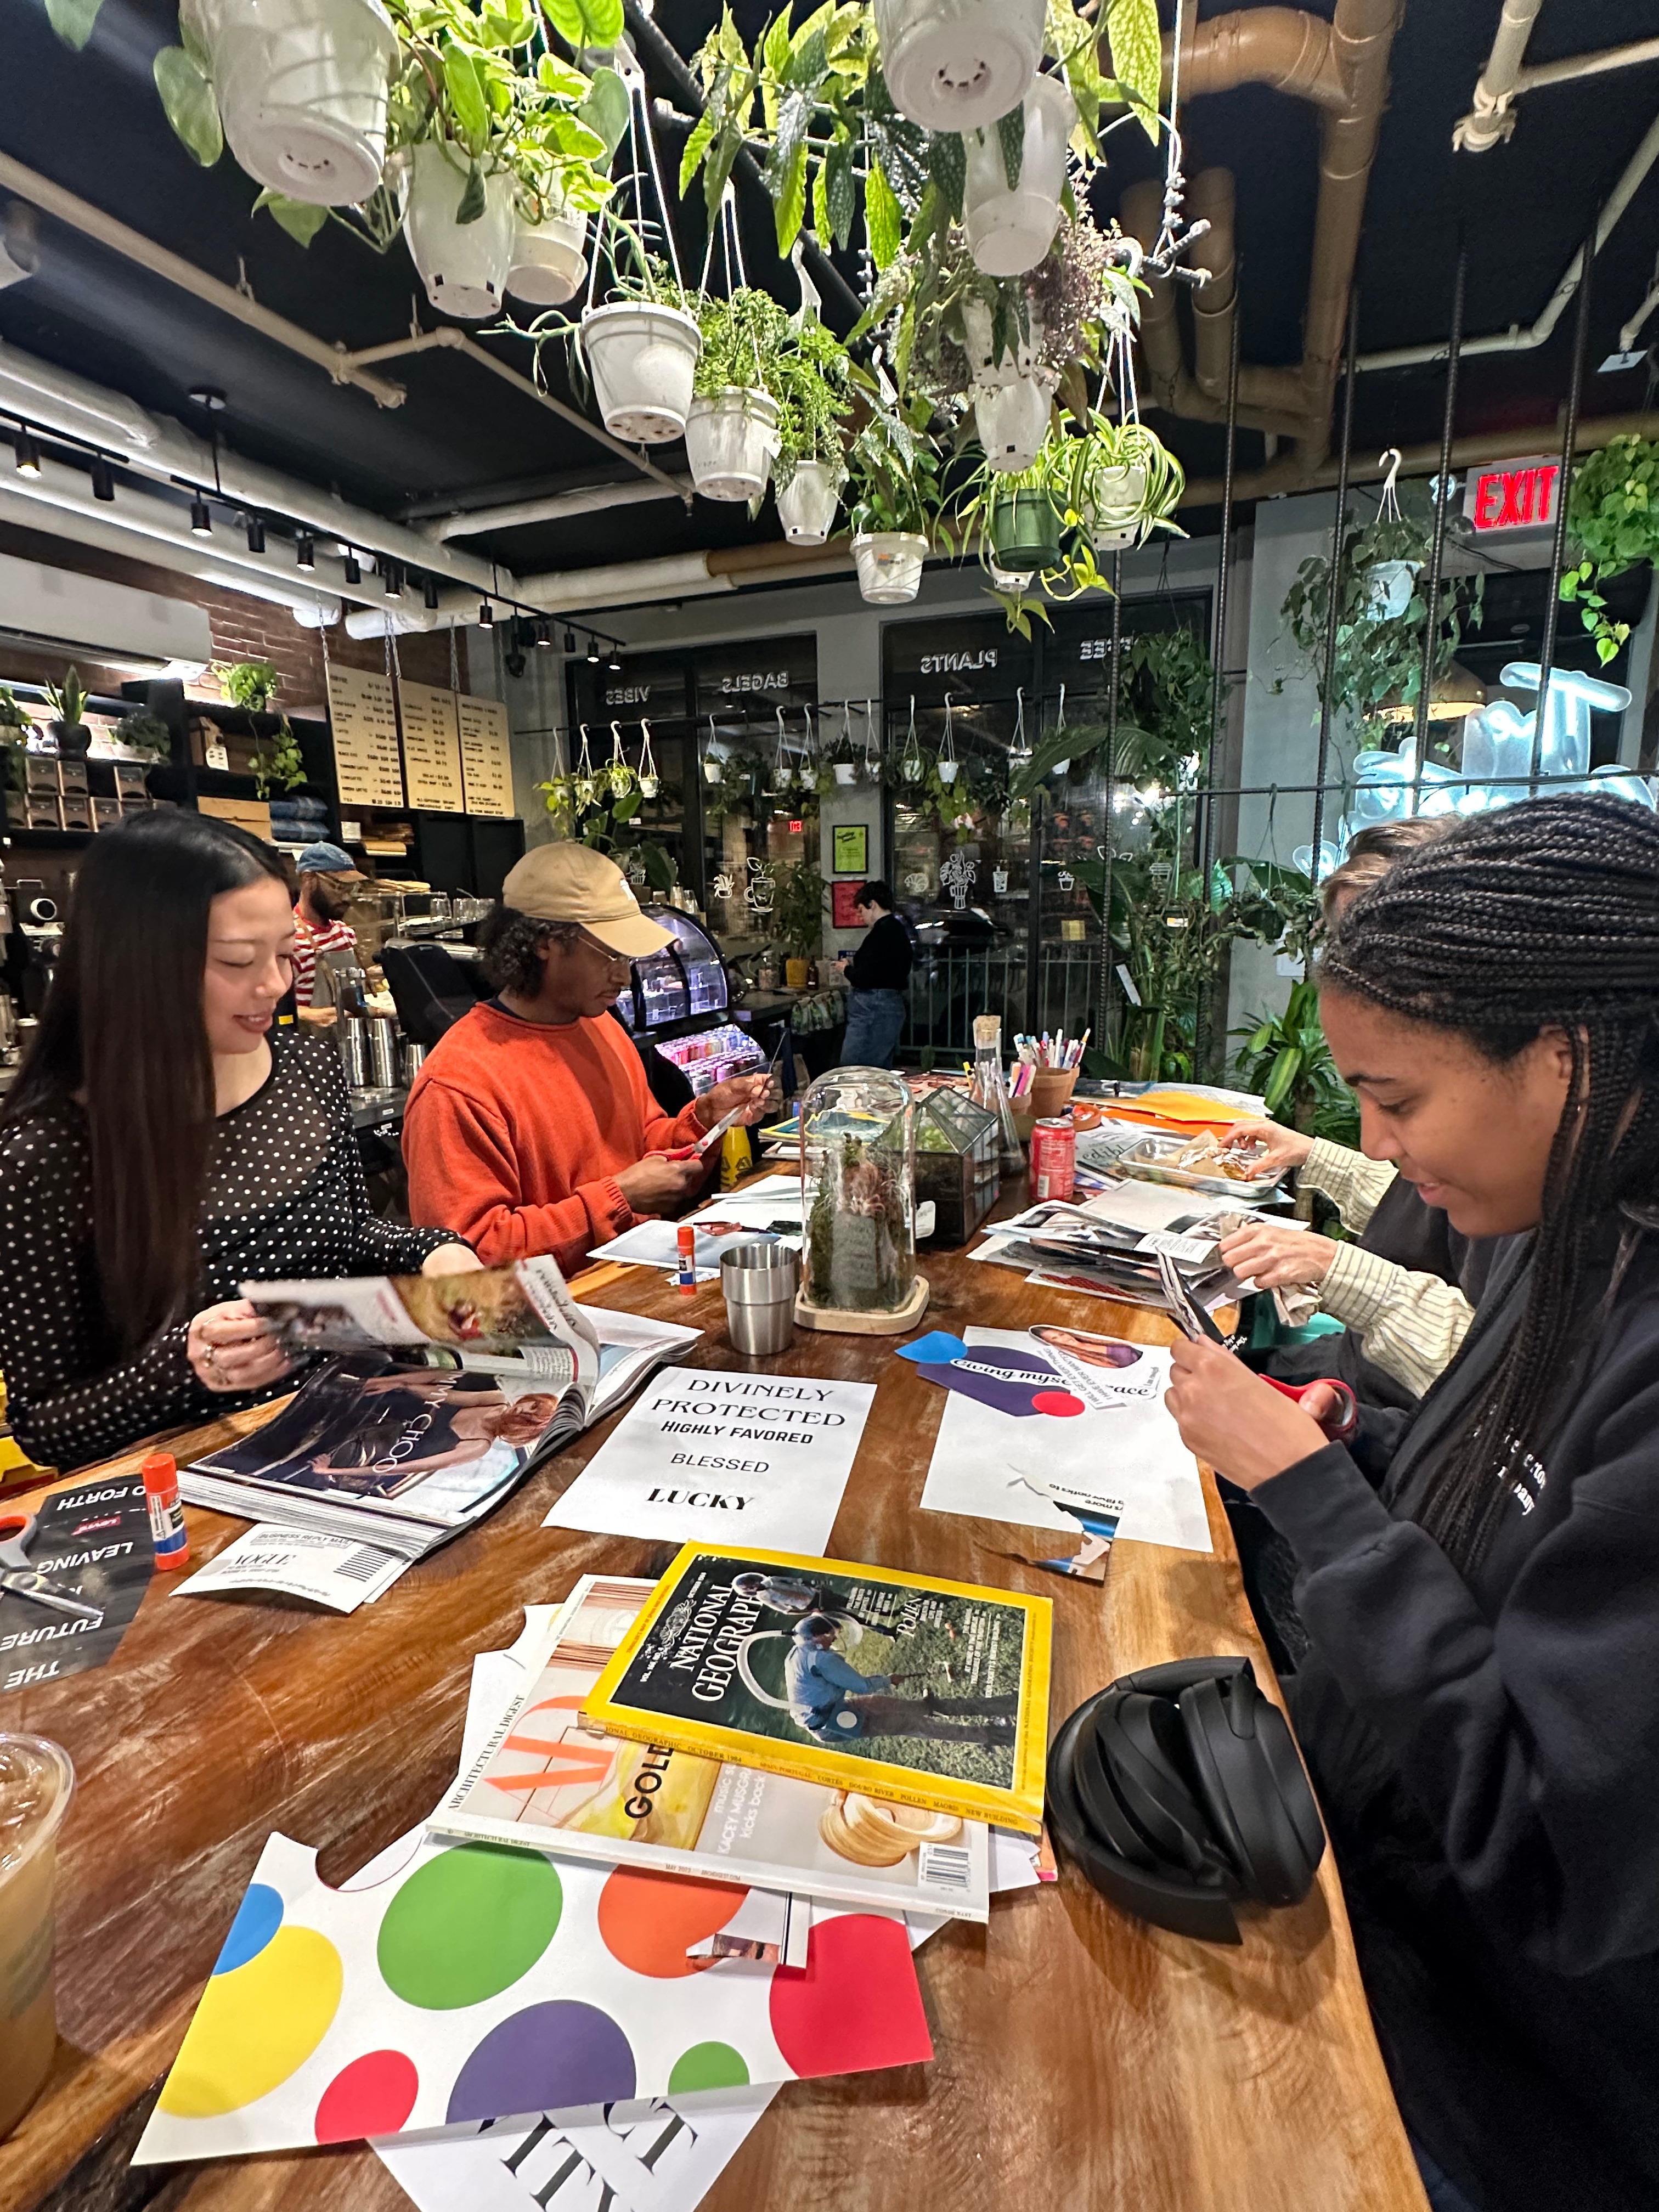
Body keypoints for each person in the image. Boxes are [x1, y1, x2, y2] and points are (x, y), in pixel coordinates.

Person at [1164, 795, 1659, 2212]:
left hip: (1494, 2081)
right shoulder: (1568, 1231)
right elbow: (1496, 1515)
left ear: (1563, 1057)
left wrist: (1313, 1495)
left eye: (1398, 1098)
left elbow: (1547, 1841)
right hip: (1371, 1897)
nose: (1377, 1146)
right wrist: (1364, 1445)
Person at [0, 812, 479, 1473]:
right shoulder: (46, 1155)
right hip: (190, 1481)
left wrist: (433, 1251)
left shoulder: (306, 1065)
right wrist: (184, 1365)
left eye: (284, 953)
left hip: (351, 1428)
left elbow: (347, 1237)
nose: (274, 986)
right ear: (138, 964)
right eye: (236, 961)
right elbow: (44, 1426)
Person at [403, 844, 772, 1274]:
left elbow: (643, 1147)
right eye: (611, 954)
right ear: (544, 943)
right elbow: (470, 1257)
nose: (623, 976)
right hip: (548, 1313)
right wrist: (617, 1199)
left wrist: (705, 1121)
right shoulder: (457, 1084)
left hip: (632, 1283)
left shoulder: (601, 1027)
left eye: (628, 957)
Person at [784, 1617, 1018, 1746]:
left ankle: (928, 1707)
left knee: (884, 1704)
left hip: (834, 1709)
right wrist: (887, 1680)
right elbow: (861, 1686)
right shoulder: (821, 1659)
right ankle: (994, 1736)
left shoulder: (797, 1653)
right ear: (816, 1637)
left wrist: (887, 1681)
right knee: (911, 1725)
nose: (834, 1639)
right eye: (831, 1634)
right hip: (831, 1723)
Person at [836, 881, 912, 1068]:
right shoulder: (899, 930)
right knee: (879, 1069)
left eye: (862, 910)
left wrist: (846, 969)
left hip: (872, 1007)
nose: (861, 917)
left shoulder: (880, 934)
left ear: (873, 904)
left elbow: (864, 977)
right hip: (892, 1004)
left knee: (853, 1069)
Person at [289, 839, 362, 1012]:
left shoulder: (345, 934)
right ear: (309, 878)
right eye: (338, 887)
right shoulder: (290, 941)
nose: (347, 898)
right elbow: (275, 1011)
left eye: (351, 888)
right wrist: (315, 1017)